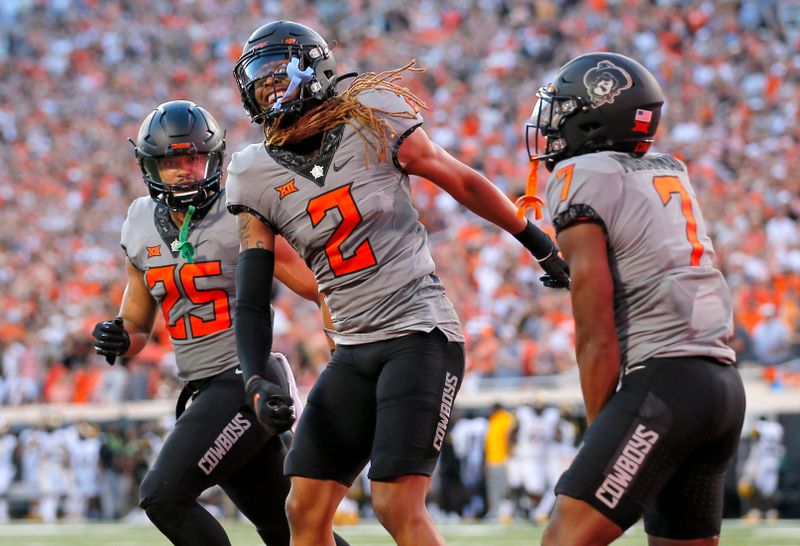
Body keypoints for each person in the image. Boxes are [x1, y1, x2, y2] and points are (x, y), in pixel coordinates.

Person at [225, 20, 569, 546]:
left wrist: (538, 241)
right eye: (259, 79)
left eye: (276, 74)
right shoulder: (252, 172)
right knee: (305, 508)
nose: (266, 88)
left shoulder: (374, 117)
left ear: (314, 70)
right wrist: (254, 377)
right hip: (353, 347)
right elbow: (251, 296)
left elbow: (462, 180)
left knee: (394, 502)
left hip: (419, 333)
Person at [91, 100, 350, 546]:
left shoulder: (242, 212)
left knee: (164, 496)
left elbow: (321, 287)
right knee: (287, 530)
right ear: (150, 166)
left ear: (214, 158)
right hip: (203, 388)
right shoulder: (138, 221)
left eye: (194, 157)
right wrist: (116, 337)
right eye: (172, 161)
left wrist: (347, 356)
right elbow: (136, 325)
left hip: (246, 382)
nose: (186, 170)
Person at [527, 52, 747, 545]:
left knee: (562, 539)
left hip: (665, 386)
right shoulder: (668, 169)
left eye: (562, 112)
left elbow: (595, 333)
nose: (551, 128)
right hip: (721, 386)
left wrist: (601, 433)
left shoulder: (580, 174)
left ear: (595, 113)